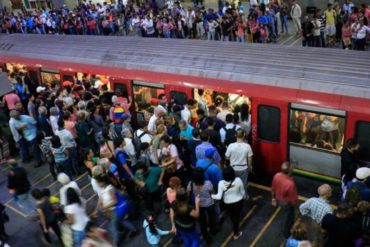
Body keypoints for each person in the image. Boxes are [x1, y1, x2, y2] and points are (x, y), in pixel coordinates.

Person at [212, 166, 245, 240]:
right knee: (237, 216)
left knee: (233, 216)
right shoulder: (238, 180)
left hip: (228, 203)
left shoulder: (221, 183)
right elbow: (243, 192)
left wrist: (211, 195)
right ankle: (236, 233)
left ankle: (236, 230)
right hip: (239, 202)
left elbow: (219, 197)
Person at [187, 167, 217, 244]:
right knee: (212, 217)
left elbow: (188, 194)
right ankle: (213, 229)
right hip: (209, 203)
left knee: (202, 222)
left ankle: (205, 235)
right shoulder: (208, 183)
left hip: (199, 205)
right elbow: (212, 193)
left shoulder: (190, 184)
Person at [271, 162, 298, 239]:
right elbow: (293, 199)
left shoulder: (277, 175)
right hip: (286, 203)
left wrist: (273, 199)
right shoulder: (290, 184)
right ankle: (286, 234)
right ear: (289, 172)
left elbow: (273, 188)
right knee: (288, 218)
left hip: (278, 199)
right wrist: (295, 208)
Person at [225, 129, 253, 194]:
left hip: (233, 168)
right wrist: (249, 167)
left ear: (235, 135)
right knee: (243, 184)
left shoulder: (231, 145)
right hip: (243, 169)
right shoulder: (247, 146)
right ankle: (244, 196)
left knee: (233, 184)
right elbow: (249, 159)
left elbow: (227, 157)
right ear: (244, 135)